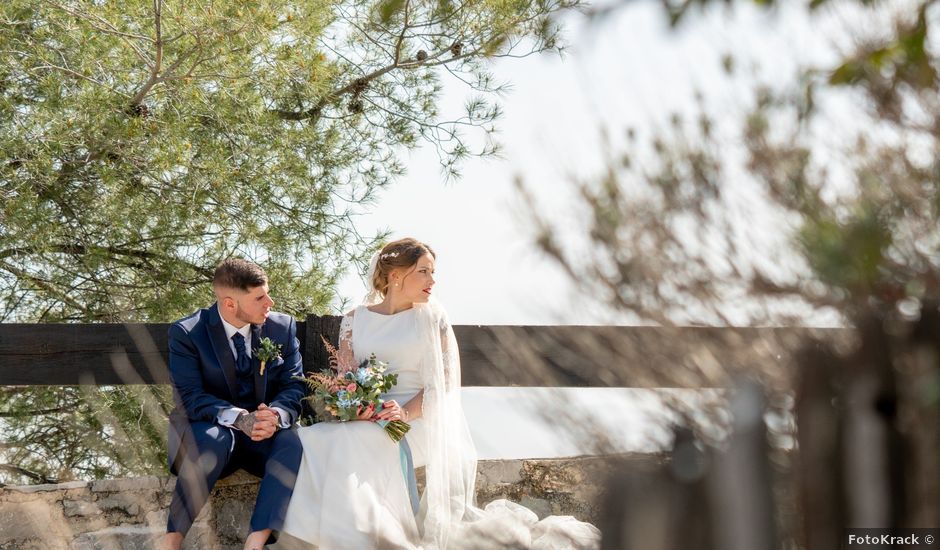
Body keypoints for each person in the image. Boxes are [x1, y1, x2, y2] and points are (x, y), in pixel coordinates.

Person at [280, 238, 600, 549]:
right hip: (366, 419)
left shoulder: (432, 317)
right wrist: (353, 406)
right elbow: (345, 377)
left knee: (352, 441)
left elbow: (443, 382)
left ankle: (348, 541)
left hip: (416, 421)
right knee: (315, 439)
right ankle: (332, 539)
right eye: (424, 271)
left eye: (433, 272)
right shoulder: (354, 319)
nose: (433, 280)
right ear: (395, 275)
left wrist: (403, 413)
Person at [163, 259, 305, 550]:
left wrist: (275, 416)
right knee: (212, 439)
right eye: (259, 297)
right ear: (229, 303)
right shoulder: (188, 333)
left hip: (261, 440)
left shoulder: (282, 328)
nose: (270, 302)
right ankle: (171, 541)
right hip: (209, 434)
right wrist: (239, 418)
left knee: (292, 441)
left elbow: (294, 385)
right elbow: (190, 397)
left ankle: (256, 542)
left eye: (267, 293)